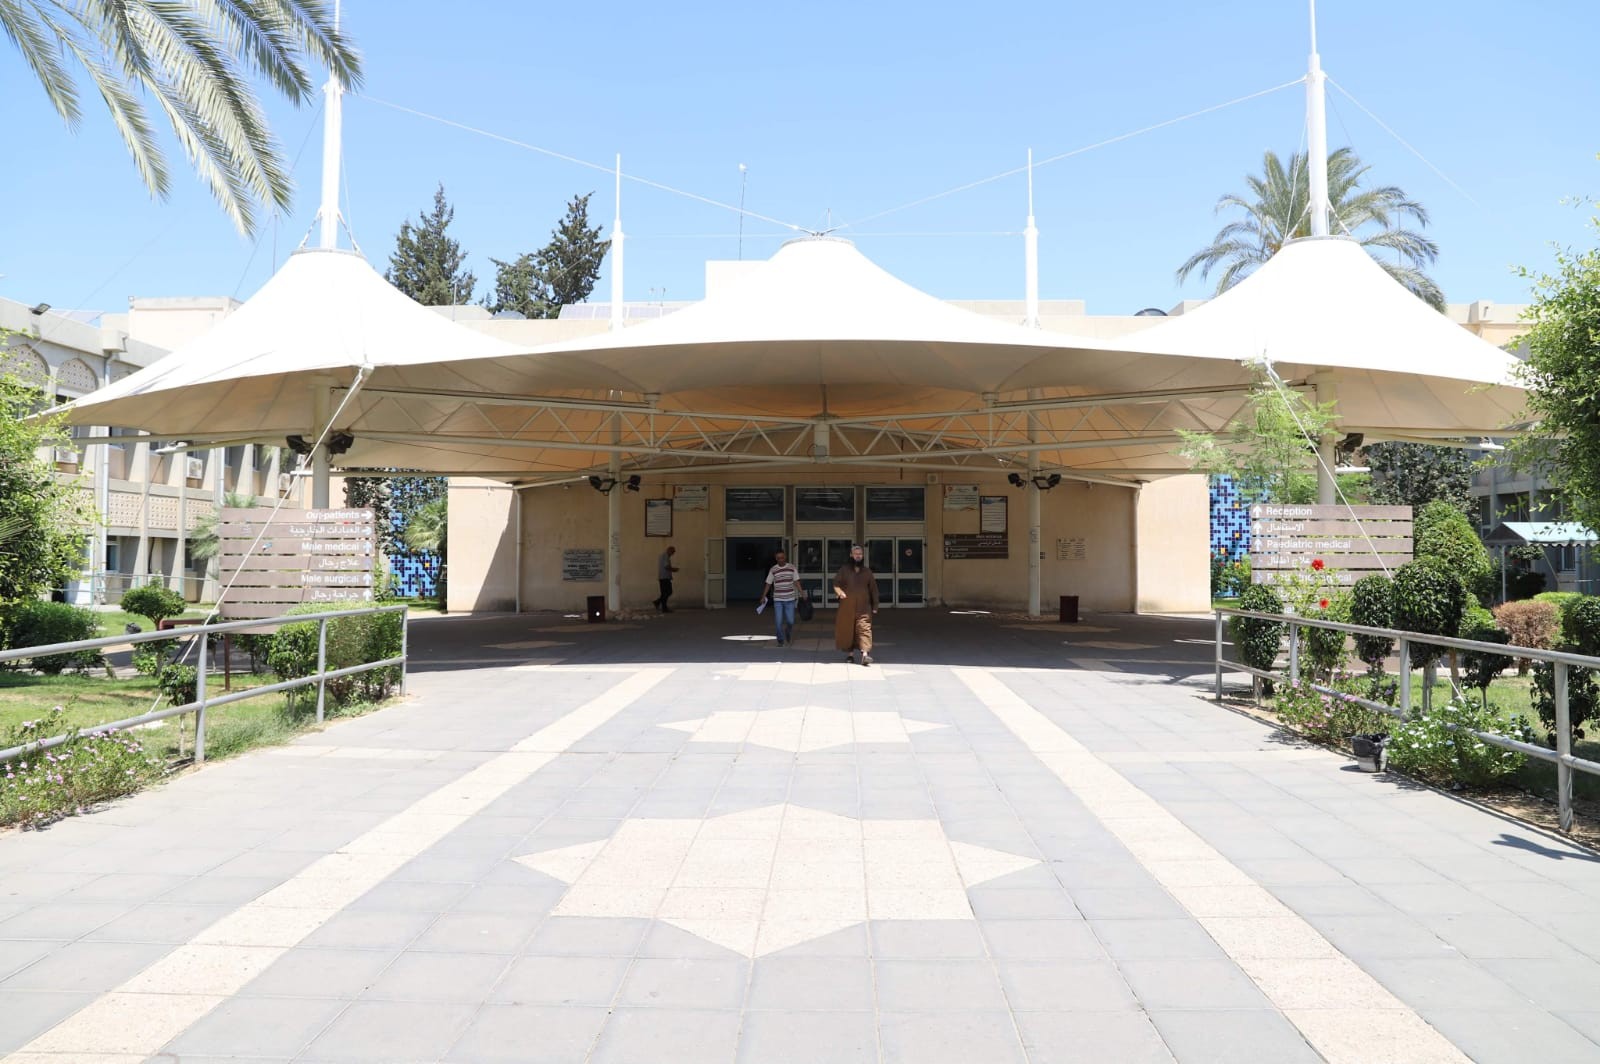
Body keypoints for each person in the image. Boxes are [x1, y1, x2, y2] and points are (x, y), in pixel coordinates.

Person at [833, 543, 879, 665]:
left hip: (864, 608)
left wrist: (875, 606)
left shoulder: (867, 572)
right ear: (851, 555)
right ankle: (850, 655)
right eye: (856, 554)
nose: (858, 556)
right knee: (849, 631)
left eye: (860, 554)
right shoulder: (844, 570)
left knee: (864, 629)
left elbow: (874, 589)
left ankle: (865, 655)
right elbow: (836, 584)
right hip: (847, 608)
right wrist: (840, 592)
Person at [758, 548, 806, 646]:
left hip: (790, 599)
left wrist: (802, 593)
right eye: (778, 558)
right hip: (778, 600)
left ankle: (788, 630)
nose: (780, 560)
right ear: (776, 558)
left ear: (785, 557)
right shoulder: (773, 569)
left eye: (782, 557)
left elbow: (796, 581)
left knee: (790, 621)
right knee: (778, 622)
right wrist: (763, 596)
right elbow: (768, 583)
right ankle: (780, 639)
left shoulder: (792, 568)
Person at [653, 545, 679, 613]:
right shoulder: (665, 556)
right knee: (668, 592)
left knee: (664, 593)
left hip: (664, 577)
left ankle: (661, 605)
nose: (673, 554)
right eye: (672, 552)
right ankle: (659, 603)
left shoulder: (664, 556)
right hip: (664, 577)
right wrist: (674, 569)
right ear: (669, 550)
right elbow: (666, 566)